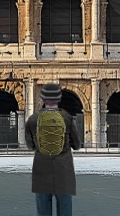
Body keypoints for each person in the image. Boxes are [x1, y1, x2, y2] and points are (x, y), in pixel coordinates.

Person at [25, 83, 81, 216]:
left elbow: (30, 145)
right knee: (65, 211)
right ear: (59, 98)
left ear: (42, 99)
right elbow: (77, 145)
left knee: (43, 211)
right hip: (64, 171)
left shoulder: (33, 119)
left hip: (41, 171)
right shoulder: (67, 118)